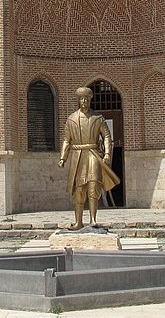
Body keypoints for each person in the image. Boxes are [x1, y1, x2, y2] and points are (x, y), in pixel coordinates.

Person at [58, 87, 120, 229]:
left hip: (93, 154)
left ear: (90, 100)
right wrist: (63, 157)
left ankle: (93, 219)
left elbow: (106, 136)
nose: (84, 101)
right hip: (77, 156)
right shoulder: (71, 119)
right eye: (81, 99)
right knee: (79, 190)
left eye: (86, 98)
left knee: (93, 187)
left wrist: (107, 154)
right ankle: (78, 222)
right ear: (78, 101)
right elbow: (66, 140)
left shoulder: (97, 118)